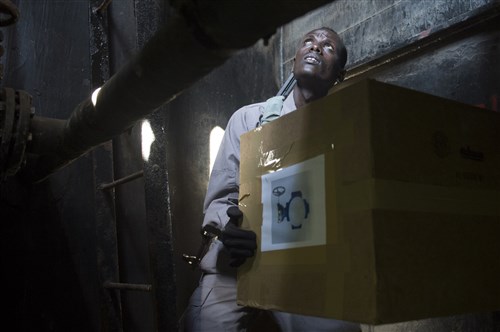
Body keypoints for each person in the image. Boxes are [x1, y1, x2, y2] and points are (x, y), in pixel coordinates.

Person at [182, 27, 360, 332]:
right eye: (308, 42)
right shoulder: (249, 121)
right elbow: (220, 200)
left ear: (339, 75)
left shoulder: (342, 137)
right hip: (236, 268)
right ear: (294, 60)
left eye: (328, 46)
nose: (315, 47)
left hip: (303, 271)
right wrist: (228, 229)